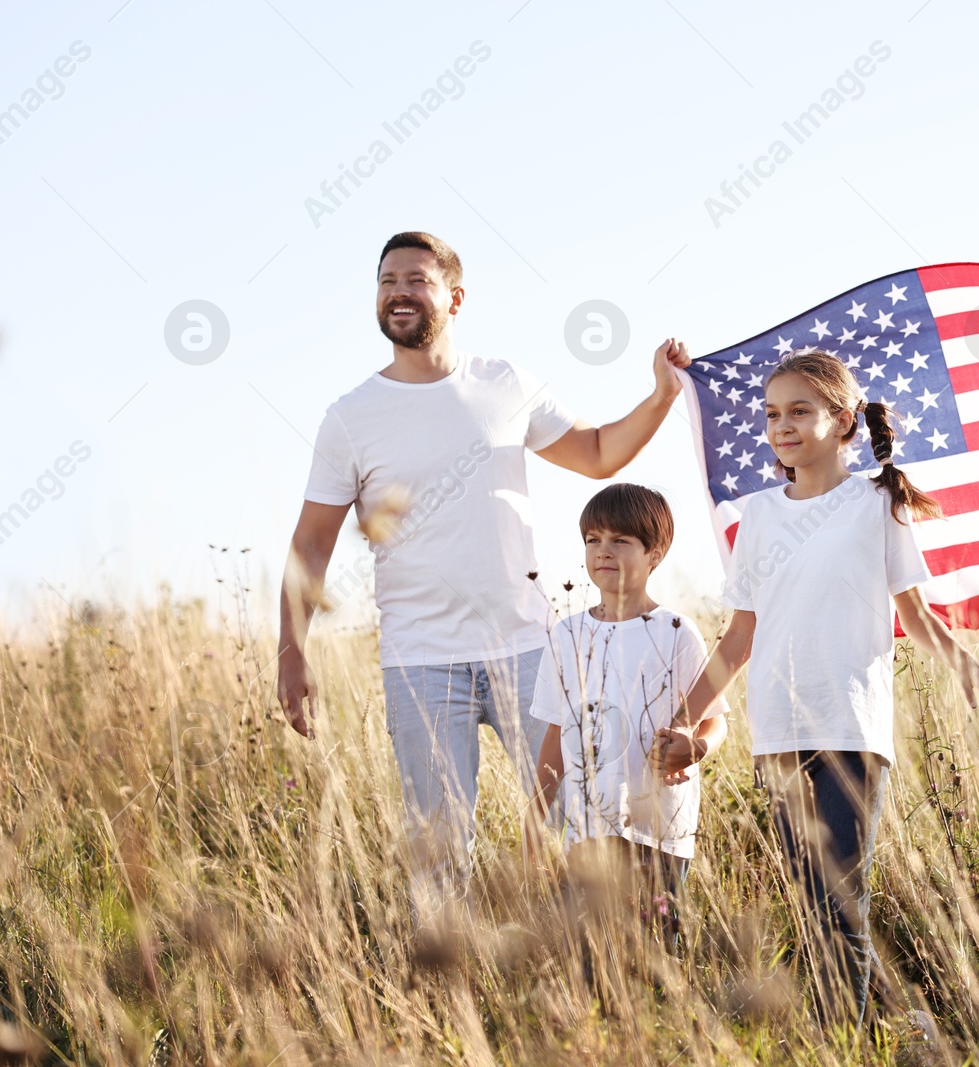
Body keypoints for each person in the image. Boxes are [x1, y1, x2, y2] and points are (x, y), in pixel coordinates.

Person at [275, 231, 692, 911]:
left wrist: (660, 397)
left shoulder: (504, 384)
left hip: (529, 650)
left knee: (582, 820)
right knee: (437, 849)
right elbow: (312, 542)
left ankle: (600, 970)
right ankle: (455, 997)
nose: (399, 292)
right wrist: (292, 653)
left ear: (455, 297)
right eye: (387, 282)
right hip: (419, 662)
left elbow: (596, 454)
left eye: (416, 279)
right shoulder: (350, 418)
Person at [651, 349, 979, 1031]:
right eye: (772, 414)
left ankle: (857, 1037)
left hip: (849, 731)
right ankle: (860, 1034)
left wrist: (966, 667)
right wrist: (680, 723)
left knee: (842, 903)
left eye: (798, 411)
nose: (781, 426)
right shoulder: (759, 514)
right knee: (810, 906)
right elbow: (738, 637)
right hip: (778, 734)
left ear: (841, 419)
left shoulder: (877, 503)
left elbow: (916, 616)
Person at [530, 483, 728, 936]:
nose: (604, 550)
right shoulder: (568, 635)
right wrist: (537, 809)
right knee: (589, 953)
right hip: (588, 824)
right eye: (593, 539)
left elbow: (715, 718)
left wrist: (696, 747)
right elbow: (558, 731)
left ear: (654, 553)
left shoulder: (676, 631)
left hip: (658, 825)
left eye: (621, 540)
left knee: (654, 952)